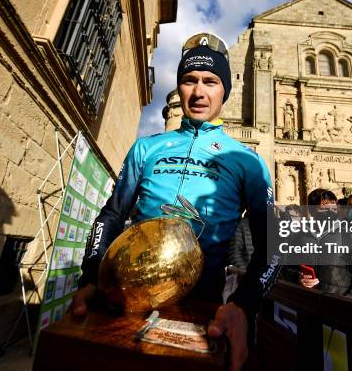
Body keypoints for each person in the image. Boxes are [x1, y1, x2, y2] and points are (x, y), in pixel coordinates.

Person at [71, 33, 280, 369]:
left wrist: (244, 304)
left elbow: (273, 242)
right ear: (179, 86)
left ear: (225, 88)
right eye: (188, 80)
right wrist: (91, 277)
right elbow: (112, 214)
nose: (198, 92)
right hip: (122, 305)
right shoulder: (146, 148)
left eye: (210, 82)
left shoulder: (248, 161)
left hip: (199, 312)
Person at [284, 189, 352, 300]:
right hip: (306, 305)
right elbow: (286, 269)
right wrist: (298, 278)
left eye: (333, 208)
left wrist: (344, 304)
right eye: (324, 208)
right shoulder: (299, 238)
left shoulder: (349, 239)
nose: (330, 212)